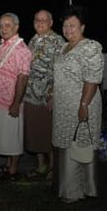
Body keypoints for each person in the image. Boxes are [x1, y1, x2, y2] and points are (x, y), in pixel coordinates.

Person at [52, 6, 103, 204]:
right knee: (66, 144)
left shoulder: (90, 47)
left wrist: (84, 105)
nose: (68, 29)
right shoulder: (63, 47)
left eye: (72, 26)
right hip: (63, 107)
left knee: (79, 144)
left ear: (82, 26)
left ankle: (78, 191)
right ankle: (67, 187)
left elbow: (92, 79)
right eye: (65, 26)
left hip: (82, 103)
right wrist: (52, 94)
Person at [0, 13, 32, 181]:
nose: (3, 29)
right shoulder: (2, 45)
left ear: (16, 27)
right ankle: (9, 165)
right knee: (6, 136)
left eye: (8, 25)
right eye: (1, 25)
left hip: (11, 102)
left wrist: (16, 103)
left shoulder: (21, 50)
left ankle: (13, 171)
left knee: (13, 137)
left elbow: (23, 78)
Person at [24, 9, 65, 181]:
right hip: (31, 95)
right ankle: (41, 166)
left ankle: (53, 169)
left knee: (49, 135)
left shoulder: (57, 41)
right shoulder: (33, 40)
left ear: (51, 22)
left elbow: (61, 71)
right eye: (37, 19)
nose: (40, 22)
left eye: (44, 20)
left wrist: (54, 95)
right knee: (35, 134)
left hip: (46, 96)